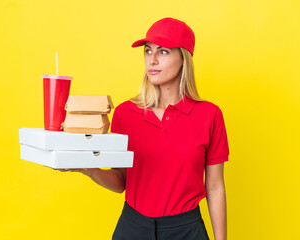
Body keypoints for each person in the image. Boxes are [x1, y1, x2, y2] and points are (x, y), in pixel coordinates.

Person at [58, 17, 229, 240]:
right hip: (133, 227)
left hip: (186, 230)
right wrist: (87, 168)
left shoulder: (209, 115)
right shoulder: (125, 114)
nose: (153, 60)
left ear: (183, 58)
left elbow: (215, 187)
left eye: (163, 52)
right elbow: (121, 182)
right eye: (148, 51)